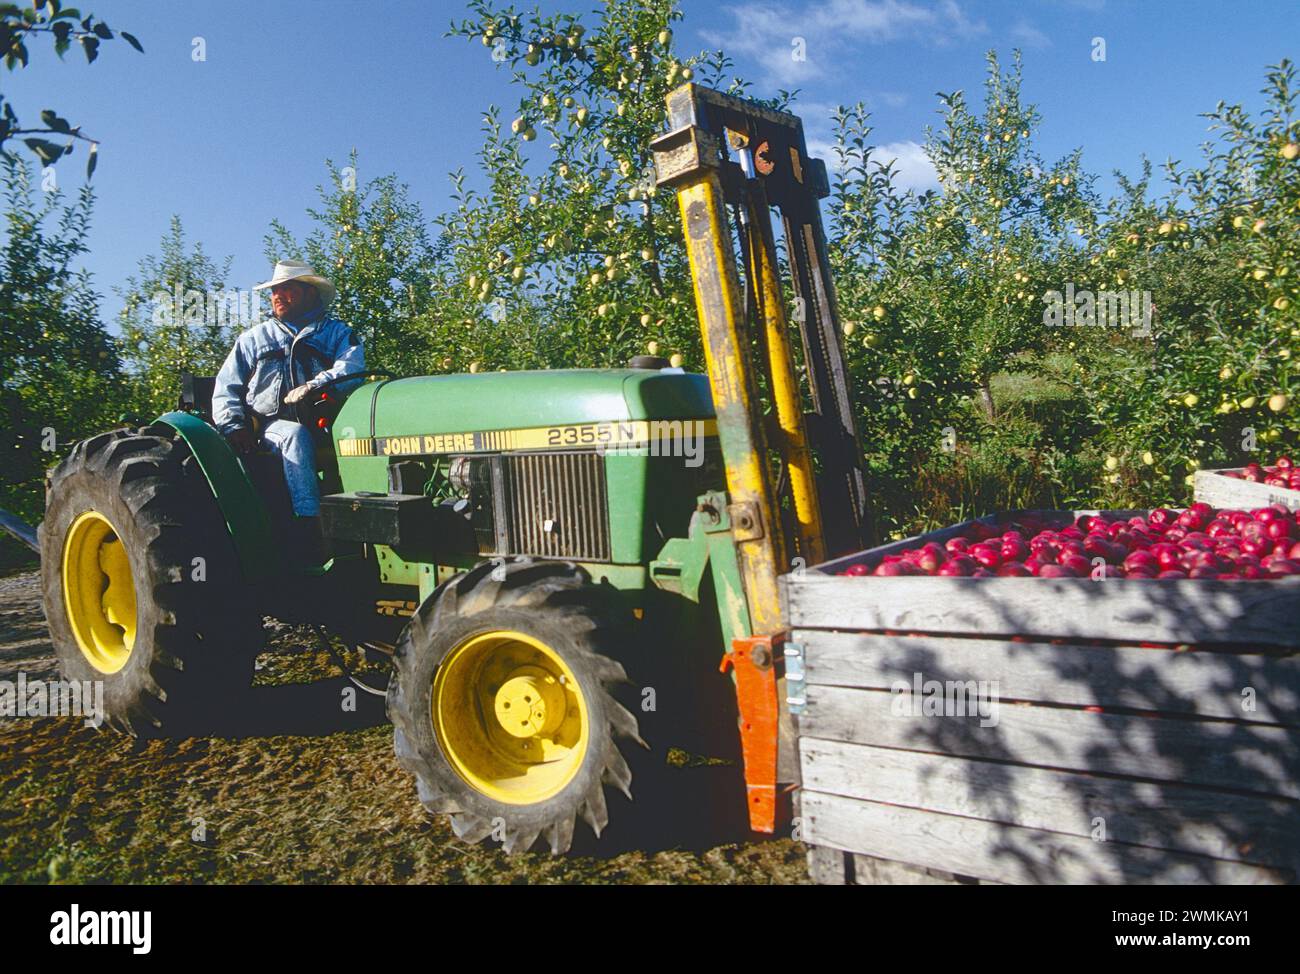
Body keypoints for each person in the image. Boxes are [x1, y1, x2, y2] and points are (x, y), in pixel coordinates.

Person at [212, 259, 364, 564]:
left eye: (287, 289)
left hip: (325, 421)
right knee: (294, 435)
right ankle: (309, 527)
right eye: (274, 291)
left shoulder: (337, 334)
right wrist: (234, 427)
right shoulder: (254, 339)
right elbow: (225, 389)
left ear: (310, 294)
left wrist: (314, 386)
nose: (278, 296)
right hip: (270, 427)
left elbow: (352, 370)